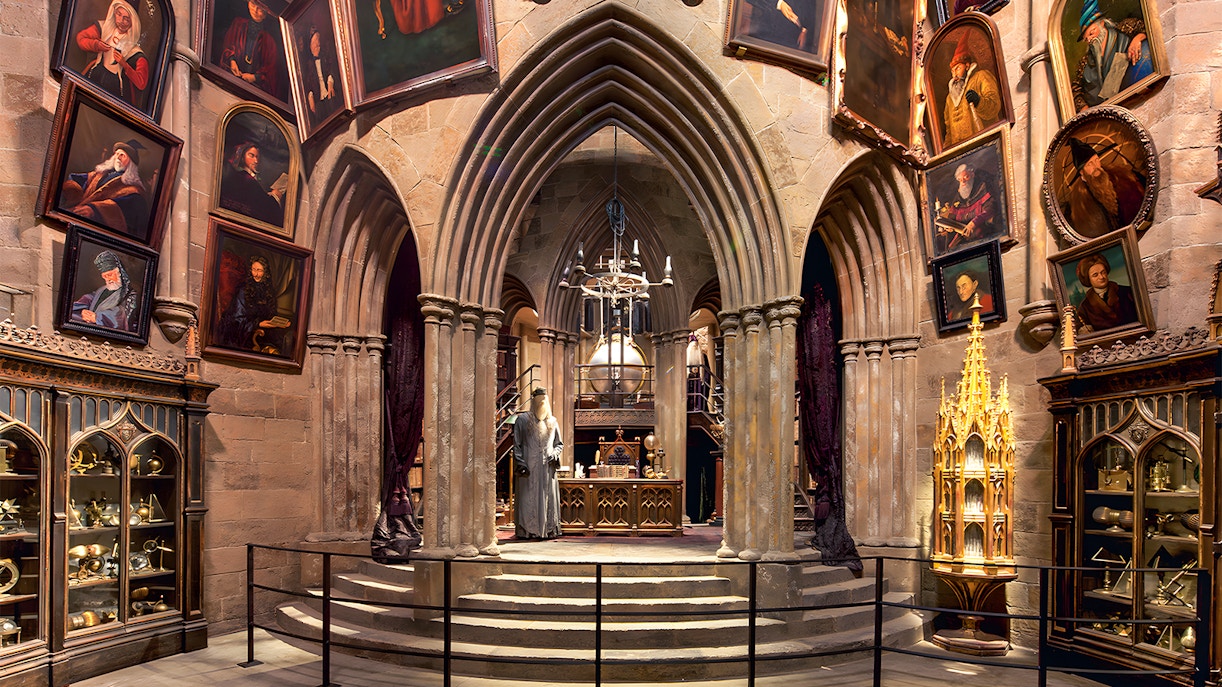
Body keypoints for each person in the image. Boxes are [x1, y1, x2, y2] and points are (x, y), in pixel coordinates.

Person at [1071, 0, 1153, 112]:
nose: (1089, 40)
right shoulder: (1085, 62)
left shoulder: (1124, 28)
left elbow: (1148, 26)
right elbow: (1075, 89)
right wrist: (1084, 109)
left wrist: (1138, 38)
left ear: (1102, 23)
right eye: (1086, 39)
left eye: (1091, 33)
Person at [59, 139, 149, 237]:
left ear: (131, 162)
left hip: (96, 226)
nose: (118, 158)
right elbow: (80, 180)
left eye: (122, 155)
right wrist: (72, 189)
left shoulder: (134, 189)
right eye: (117, 154)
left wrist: (94, 210)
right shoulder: (101, 173)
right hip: (76, 214)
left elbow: (123, 207)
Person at [1059, 137, 1146, 239]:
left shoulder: (1124, 177)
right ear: (1082, 172)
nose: (1096, 166)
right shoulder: (1077, 205)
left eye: (1096, 160)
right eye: (1090, 164)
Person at [76, 0, 150, 109]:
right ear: (114, 12)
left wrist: (125, 65)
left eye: (126, 19)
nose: (121, 21)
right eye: (119, 14)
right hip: (97, 73)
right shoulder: (103, 28)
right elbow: (81, 39)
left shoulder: (136, 53)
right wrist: (96, 45)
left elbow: (141, 83)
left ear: (133, 21)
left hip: (116, 87)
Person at [512, 387, 562, 540]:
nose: (541, 403)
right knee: (528, 498)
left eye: (544, 400)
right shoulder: (522, 420)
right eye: (538, 400)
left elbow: (559, 444)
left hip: (547, 468)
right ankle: (528, 531)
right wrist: (521, 463)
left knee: (548, 497)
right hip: (529, 468)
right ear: (533, 401)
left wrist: (555, 454)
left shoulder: (553, 422)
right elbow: (517, 444)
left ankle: (548, 529)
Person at [217, 255, 292, 354]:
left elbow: (271, 315)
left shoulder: (269, 291)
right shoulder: (243, 291)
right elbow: (237, 319)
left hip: (265, 331)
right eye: (253, 270)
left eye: (259, 270)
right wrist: (258, 324)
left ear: (265, 272)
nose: (256, 274)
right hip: (243, 332)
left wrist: (279, 323)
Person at [941, 33, 1002, 149]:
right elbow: (949, 130)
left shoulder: (981, 77)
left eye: (958, 68)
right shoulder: (950, 98)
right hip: (961, 152)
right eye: (952, 71)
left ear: (967, 66)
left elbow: (994, 106)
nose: (954, 74)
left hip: (984, 145)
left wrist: (978, 101)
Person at [219, 0, 287, 101]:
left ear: (266, 14)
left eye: (260, 9)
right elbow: (228, 46)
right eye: (253, 4)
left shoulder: (270, 41)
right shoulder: (238, 24)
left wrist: (254, 77)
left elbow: (271, 71)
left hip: (254, 94)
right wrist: (232, 61)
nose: (255, 10)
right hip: (230, 83)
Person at [935, 163, 998, 254]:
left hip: (981, 233)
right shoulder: (959, 197)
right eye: (960, 180)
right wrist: (949, 227)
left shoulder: (982, 188)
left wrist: (973, 223)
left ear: (972, 175)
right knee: (952, 249)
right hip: (962, 234)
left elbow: (990, 209)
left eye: (966, 177)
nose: (963, 182)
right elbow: (952, 216)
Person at [71, 250, 139, 332]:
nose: (108, 279)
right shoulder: (102, 290)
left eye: (110, 275)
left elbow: (122, 314)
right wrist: (84, 311)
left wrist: (97, 317)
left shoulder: (130, 294)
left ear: (119, 273)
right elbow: (90, 298)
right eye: (104, 276)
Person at [219, 141, 284, 226]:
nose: (256, 161)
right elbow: (263, 204)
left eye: (257, 157)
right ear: (242, 157)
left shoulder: (250, 178)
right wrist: (275, 196)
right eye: (251, 156)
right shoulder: (244, 178)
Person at [1073, 253, 1138, 334]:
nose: (1101, 277)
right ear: (1088, 279)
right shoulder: (1085, 307)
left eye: (1103, 272)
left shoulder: (1127, 292)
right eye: (1095, 275)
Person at [741, 0, 824, 52]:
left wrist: (804, 30)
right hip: (767, 34)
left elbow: (809, 9)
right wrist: (779, 4)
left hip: (792, 40)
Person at [302, 26, 340, 128]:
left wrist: (330, 83)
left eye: (318, 40)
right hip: (318, 98)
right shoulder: (308, 64)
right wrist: (310, 97)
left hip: (329, 93)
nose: (317, 44)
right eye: (314, 42)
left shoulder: (325, 56)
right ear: (309, 45)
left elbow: (331, 69)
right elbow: (308, 83)